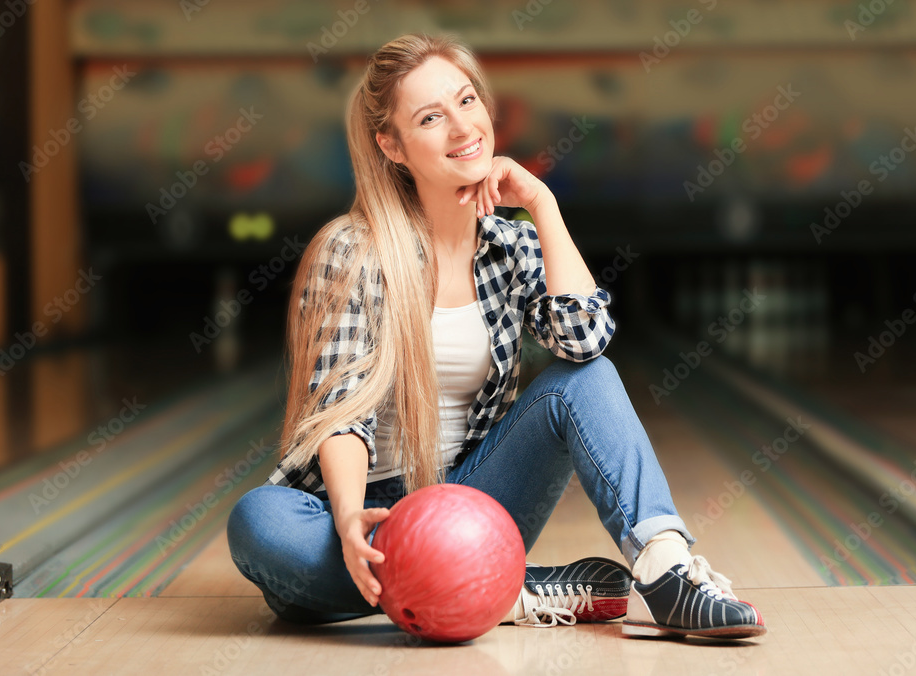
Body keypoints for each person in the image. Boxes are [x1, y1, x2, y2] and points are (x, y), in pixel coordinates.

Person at [227, 32, 765, 640]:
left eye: (467, 101)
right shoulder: (353, 251)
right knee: (261, 523)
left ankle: (666, 572)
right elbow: (338, 413)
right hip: (367, 514)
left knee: (585, 378)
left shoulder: (510, 245)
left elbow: (585, 340)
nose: (461, 127)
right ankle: (502, 590)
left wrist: (542, 203)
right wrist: (350, 519)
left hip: (472, 506)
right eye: (431, 117)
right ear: (391, 145)